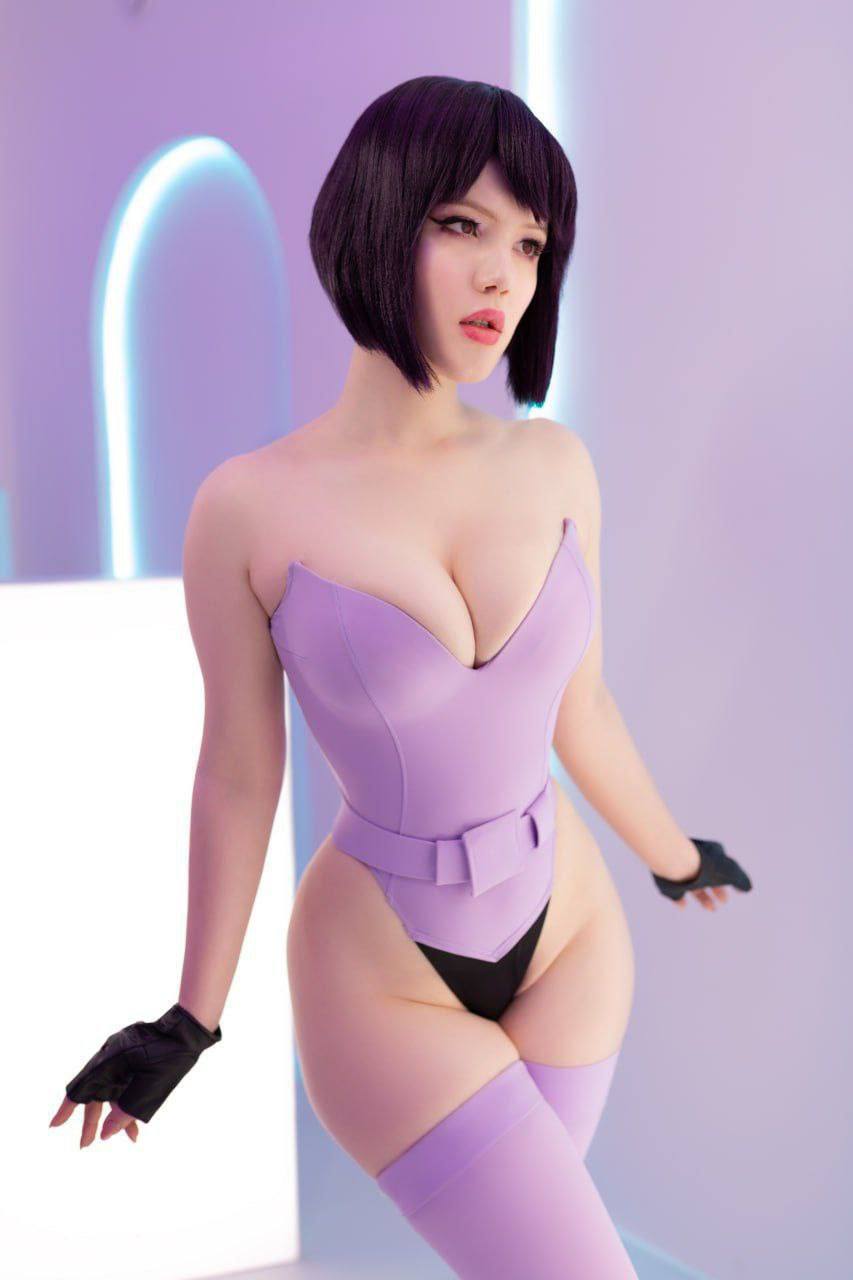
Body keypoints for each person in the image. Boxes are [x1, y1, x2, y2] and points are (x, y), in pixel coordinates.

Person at [52, 76, 751, 1278]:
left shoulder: (555, 461)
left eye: (529, 243)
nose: (501, 276)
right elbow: (238, 773)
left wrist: (673, 854)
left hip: (572, 935)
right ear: (377, 219)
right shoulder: (248, 506)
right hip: (381, 970)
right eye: (461, 224)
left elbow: (580, 706)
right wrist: (190, 1016)